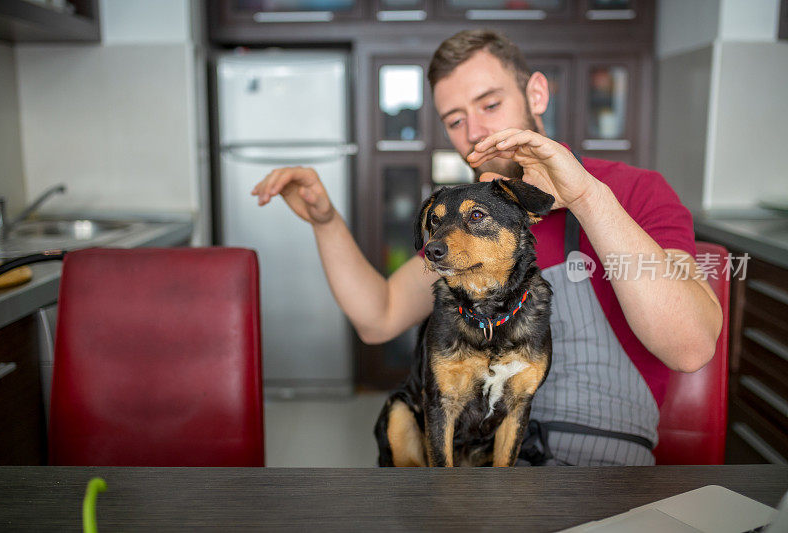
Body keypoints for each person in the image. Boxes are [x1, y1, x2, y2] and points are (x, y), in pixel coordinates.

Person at [251, 29, 722, 466]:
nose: (474, 131)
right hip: (480, 469)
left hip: (602, 471)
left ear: (535, 93)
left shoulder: (636, 192)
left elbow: (691, 345)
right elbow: (379, 316)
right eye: (455, 120)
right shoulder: (464, 228)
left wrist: (585, 197)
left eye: (490, 104)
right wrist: (325, 221)